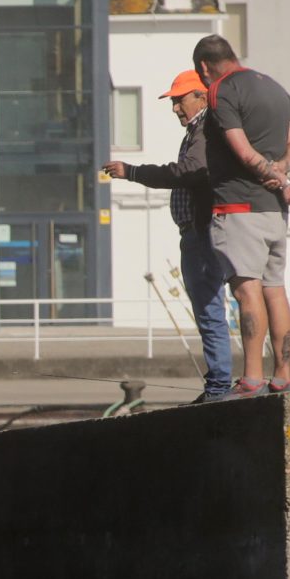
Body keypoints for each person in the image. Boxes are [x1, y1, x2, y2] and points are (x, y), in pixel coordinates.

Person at [104, 71, 232, 400]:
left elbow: (187, 171)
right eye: (173, 101)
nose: (175, 107)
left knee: (209, 308)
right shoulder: (200, 129)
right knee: (209, 308)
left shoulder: (204, 129)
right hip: (197, 232)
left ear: (201, 97)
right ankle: (218, 380)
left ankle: (219, 385)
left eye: (179, 99)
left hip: (202, 234)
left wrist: (132, 172)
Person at [192, 34, 290, 394]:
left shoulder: (222, 91)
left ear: (204, 68)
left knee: (246, 291)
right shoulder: (275, 88)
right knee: (276, 289)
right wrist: (283, 175)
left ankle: (252, 378)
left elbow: (241, 151)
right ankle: (283, 375)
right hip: (274, 211)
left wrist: (275, 177)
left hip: (238, 207)